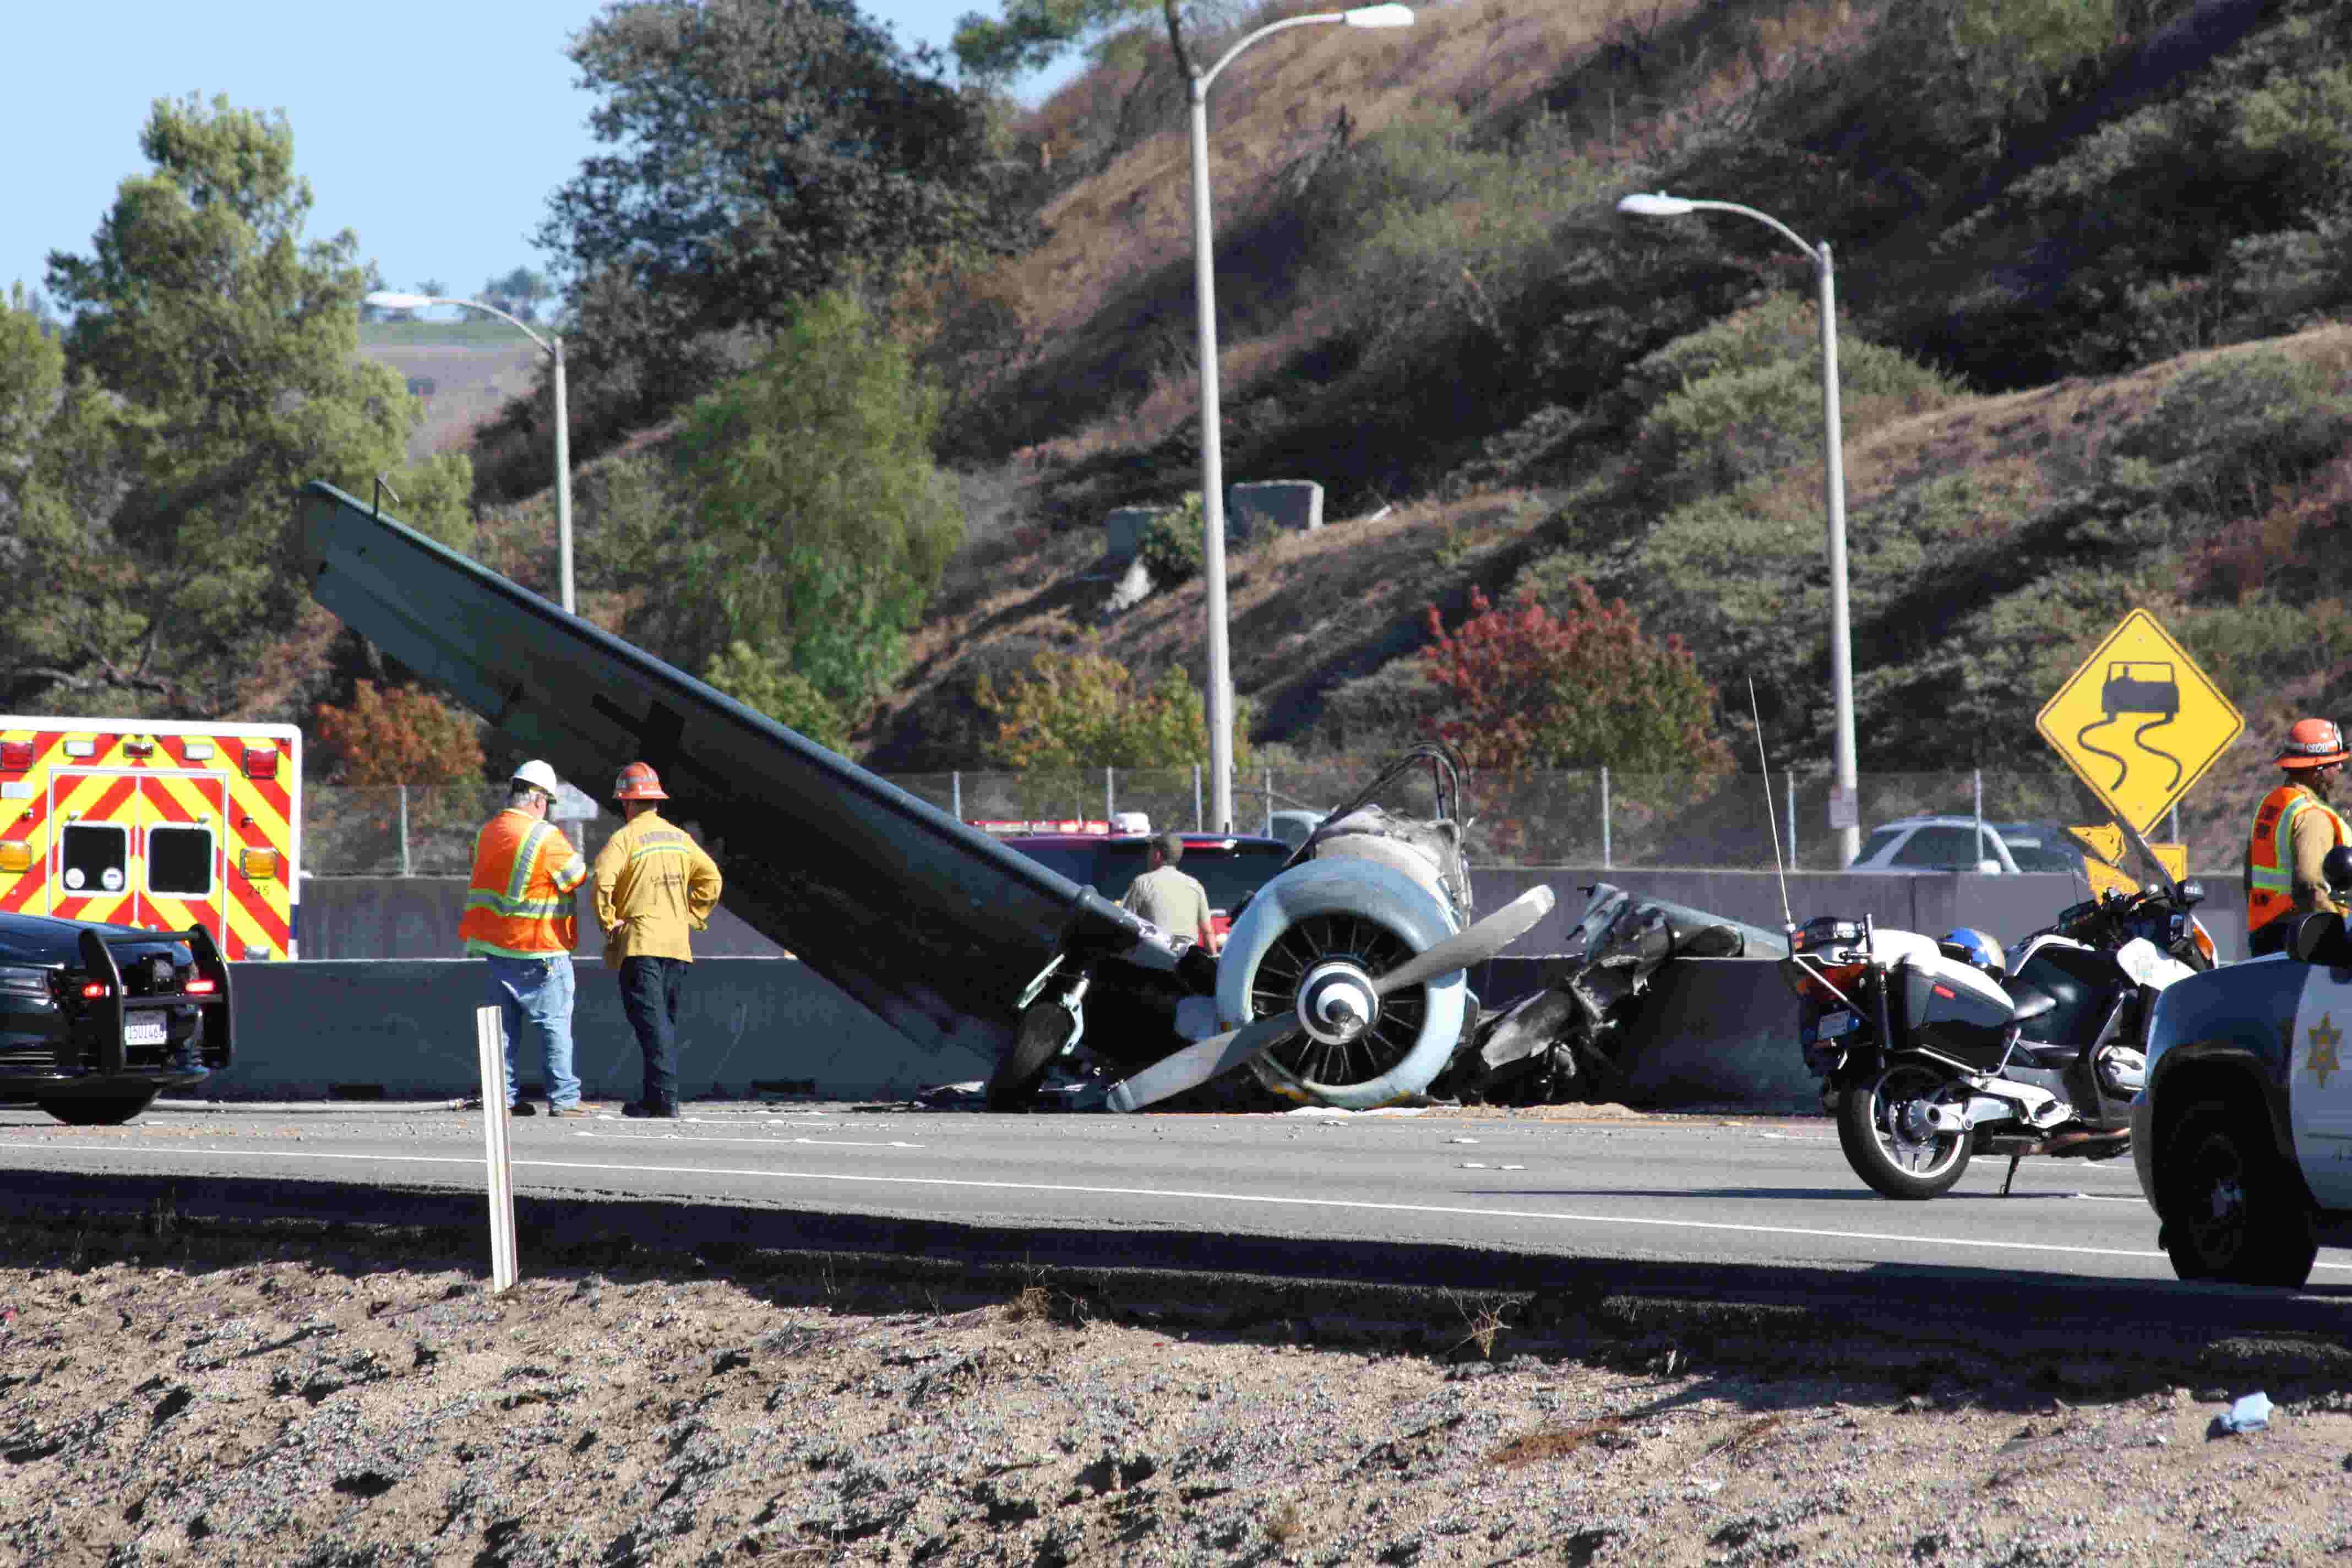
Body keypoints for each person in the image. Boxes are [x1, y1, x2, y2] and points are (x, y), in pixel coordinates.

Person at [594, 761, 723, 1119]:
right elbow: (711, 879)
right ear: (656, 801)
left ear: (626, 802)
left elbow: (603, 881)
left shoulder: (624, 840)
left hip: (641, 946)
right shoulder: (681, 839)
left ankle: (666, 1099)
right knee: (662, 1024)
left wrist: (609, 921)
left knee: (652, 1026)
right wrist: (693, 916)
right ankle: (654, 1096)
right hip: (677, 947)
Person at [461, 760, 590, 1117]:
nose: (547, 808)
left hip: (495, 947)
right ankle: (564, 1100)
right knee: (554, 1027)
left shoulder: (487, 833)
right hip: (539, 948)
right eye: (547, 801)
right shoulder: (544, 837)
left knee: (502, 1034)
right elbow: (576, 876)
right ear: (535, 798)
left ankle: (502, 1098)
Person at [2246, 717, 2352, 956]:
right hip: (2303, 939)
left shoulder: (2271, 806)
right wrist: (2340, 932)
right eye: (2334, 763)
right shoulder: (2311, 815)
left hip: (2266, 933)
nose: (2340, 769)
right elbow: (2310, 884)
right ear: (2317, 770)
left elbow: (2250, 877)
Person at [1119, 830, 1217, 953]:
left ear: (1157, 855)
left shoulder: (1142, 883)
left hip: (1153, 959)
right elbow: (1208, 932)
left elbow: (1123, 923)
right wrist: (1214, 960)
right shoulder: (1196, 886)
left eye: (1150, 851)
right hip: (1187, 960)